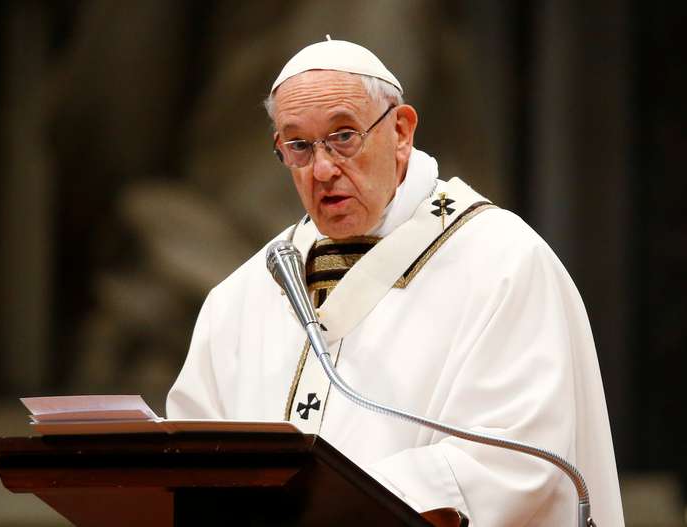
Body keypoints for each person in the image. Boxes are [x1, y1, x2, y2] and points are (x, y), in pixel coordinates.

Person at [166, 38, 625, 526]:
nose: (322, 169)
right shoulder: (245, 294)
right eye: (298, 146)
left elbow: (520, 459)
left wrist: (325, 504)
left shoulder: (503, 262)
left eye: (344, 136)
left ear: (401, 130)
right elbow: (191, 457)